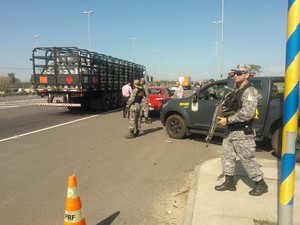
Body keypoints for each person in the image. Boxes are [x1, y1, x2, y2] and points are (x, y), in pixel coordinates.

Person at [215, 64, 268, 196]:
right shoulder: (236, 90)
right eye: (234, 73)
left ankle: (260, 183)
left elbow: (247, 113)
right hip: (230, 131)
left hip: (242, 132)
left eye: (239, 73)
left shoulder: (250, 91)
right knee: (227, 157)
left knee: (247, 159)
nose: (236, 75)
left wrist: (228, 120)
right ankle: (229, 182)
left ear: (247, 74)